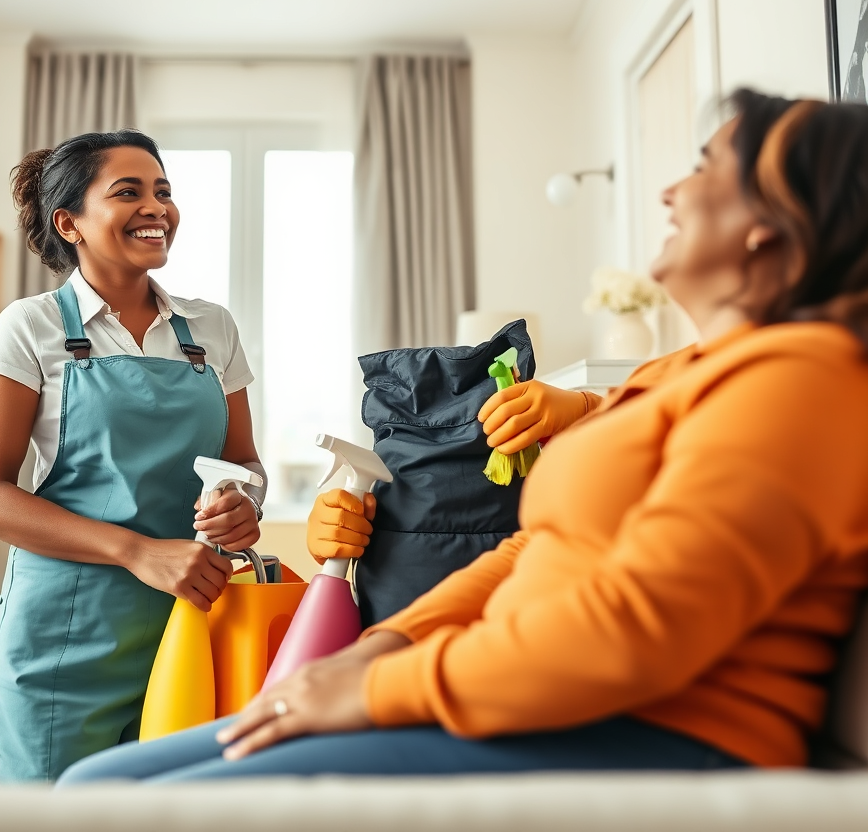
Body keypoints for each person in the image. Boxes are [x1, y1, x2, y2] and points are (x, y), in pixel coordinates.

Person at [58, 90, 868, 784]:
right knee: (97, 781)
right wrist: (381, 646)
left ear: (771, 224)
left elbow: (633, 633)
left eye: (706, 167)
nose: (671, 191)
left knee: (113, 803)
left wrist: (381, 690)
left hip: (652, 730)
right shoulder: (676, 374)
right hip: (531, 695)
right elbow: (535, 551)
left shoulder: (802, 381)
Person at [0, 131, 265, 783]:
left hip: (191, 620)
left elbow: (245, 461)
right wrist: (136, 550)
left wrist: (243, 502)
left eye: (163, 192)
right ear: (68, 222)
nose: (156, 207)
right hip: (67, 633)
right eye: (128, 192)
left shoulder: (211, 327)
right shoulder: (30, 326)